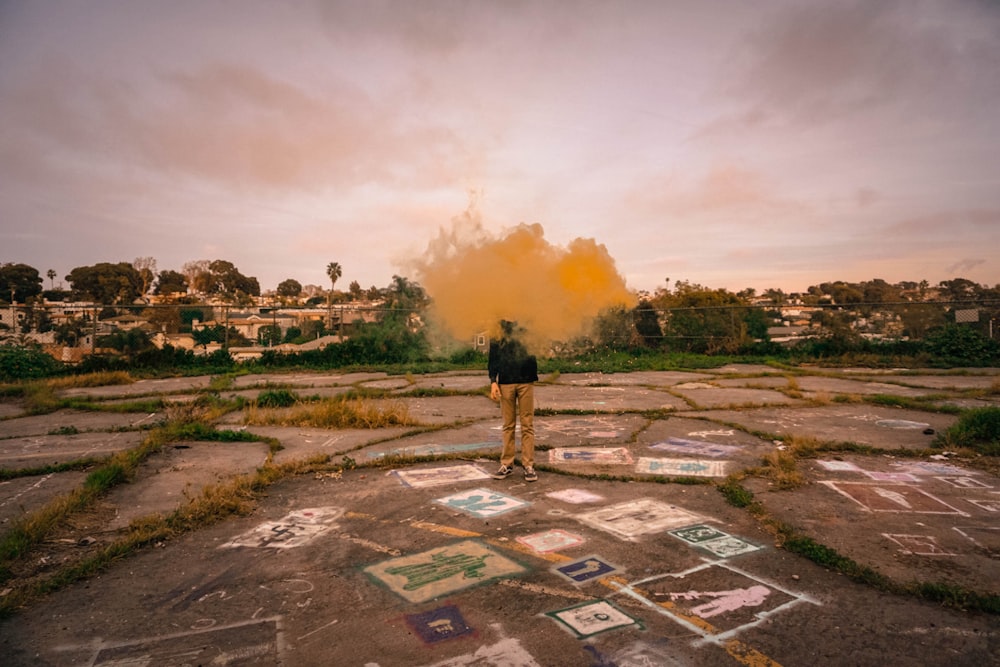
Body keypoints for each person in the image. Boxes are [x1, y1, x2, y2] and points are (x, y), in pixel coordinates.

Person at [488, 320, 539, 482]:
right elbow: (493, 356)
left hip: (526, 381)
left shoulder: (529, 321)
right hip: (505, 382)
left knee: (527, 425)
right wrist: (493, 381)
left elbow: (538, 341)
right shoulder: (498, 326)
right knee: (508, 425)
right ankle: (507, 464)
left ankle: (528, 465)